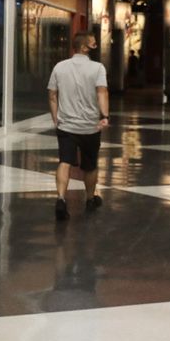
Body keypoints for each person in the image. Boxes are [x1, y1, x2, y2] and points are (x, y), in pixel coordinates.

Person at [47, 32, 109, 221]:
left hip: (66, 126)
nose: (95, 47)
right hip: (89, 126)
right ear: (84, 47)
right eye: (93, 44)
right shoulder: (98, 68)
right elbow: (102, 93)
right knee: (90, 165)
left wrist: (56, 118)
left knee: (64, 162)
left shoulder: (59, 67)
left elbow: (52, 95)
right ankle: (90, 198)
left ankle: (61, 199)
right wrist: (104, 116)